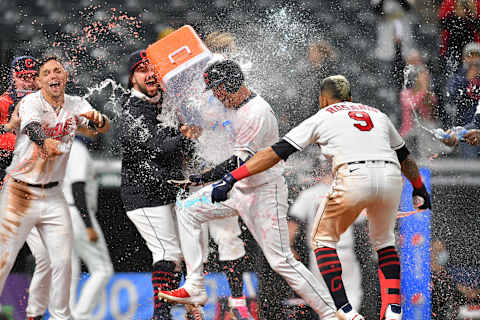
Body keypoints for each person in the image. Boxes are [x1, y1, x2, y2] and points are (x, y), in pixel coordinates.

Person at [210, 75, 432, 320]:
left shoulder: (322, 115)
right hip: (391, 177)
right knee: (384, 244)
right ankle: (393, 310)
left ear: (323, 99)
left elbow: (275, 153)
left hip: (354, 174)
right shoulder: (378, 114)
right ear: (350, 98)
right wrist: (419, 187)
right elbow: (405, 157)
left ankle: (345, 310)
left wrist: (233, 176)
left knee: (321, 240)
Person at [158, 60, 338, 320]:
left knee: (282, 262)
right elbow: (210, 124)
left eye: (219, 90)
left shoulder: (257, 112)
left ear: (231, 84)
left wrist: (204, 177)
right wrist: (193, 127)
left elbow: (240, 162)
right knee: (186, 209)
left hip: (264, 192)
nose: (217, 96)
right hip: (239, 189)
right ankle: (195, 286)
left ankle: (331, 314)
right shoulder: (231, 104)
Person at [0, 55, 110, 320]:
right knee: (4, 260)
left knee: (58, 261)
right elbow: (34, 128)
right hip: (19, 191)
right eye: (44, 72)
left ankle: (45, 315)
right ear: (40, 81)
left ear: (65, 77)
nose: (52, 76)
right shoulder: (25, 102)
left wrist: (99, 120)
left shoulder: (74, 103)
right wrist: (41, 140)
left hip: (53, 194)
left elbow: (99, 127)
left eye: (57, 71)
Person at [119, 49, 201, 320]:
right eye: (142, 69)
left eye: (153, 66)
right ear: (133, 79)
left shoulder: (167, 99)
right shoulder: (131, 108)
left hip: (167, 188)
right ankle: (161, 315)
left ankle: (185, 308)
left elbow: (181, 144)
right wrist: (184, 134)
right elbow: (158, 146)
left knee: (185, 255)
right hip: (143, 194)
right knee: (167, 252)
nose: (150, 72)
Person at [25, 134, 114, 320]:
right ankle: (81, 314)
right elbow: (78, 188)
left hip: (59, 214)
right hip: (76, 214)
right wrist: (88, 224)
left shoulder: (60, 151)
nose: (95, 132)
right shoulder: (78, 150)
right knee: (103, 269)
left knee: (69, 270)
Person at [0, 56, 39, 182]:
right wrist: (8, 127)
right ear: (14, 78)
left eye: (33, 78)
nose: (29, 83)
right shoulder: (3, 103)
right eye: (24, 78)